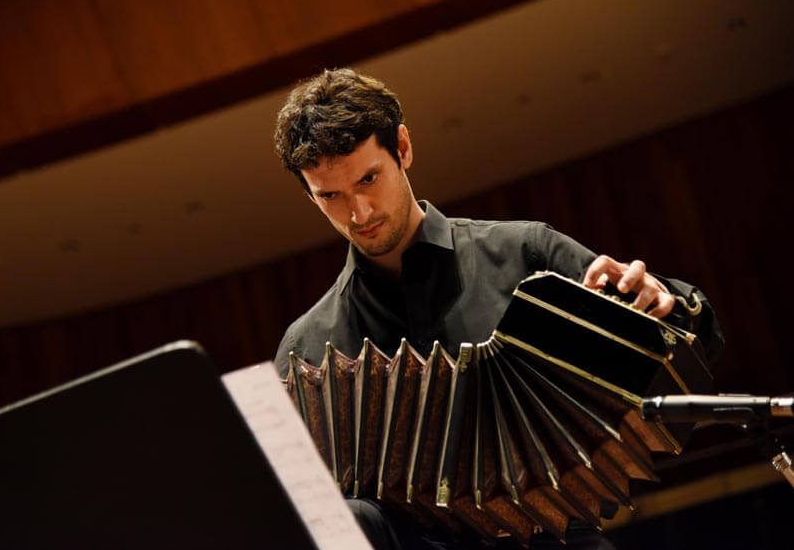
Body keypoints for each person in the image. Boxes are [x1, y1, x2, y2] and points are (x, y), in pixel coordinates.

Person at [272, 68, 723, 550]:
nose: (358, 212)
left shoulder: (524, 254)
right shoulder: (306, 350)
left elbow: (694, 350)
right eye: (330, 195)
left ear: (402, 148)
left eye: (369, 178)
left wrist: (664, 307)